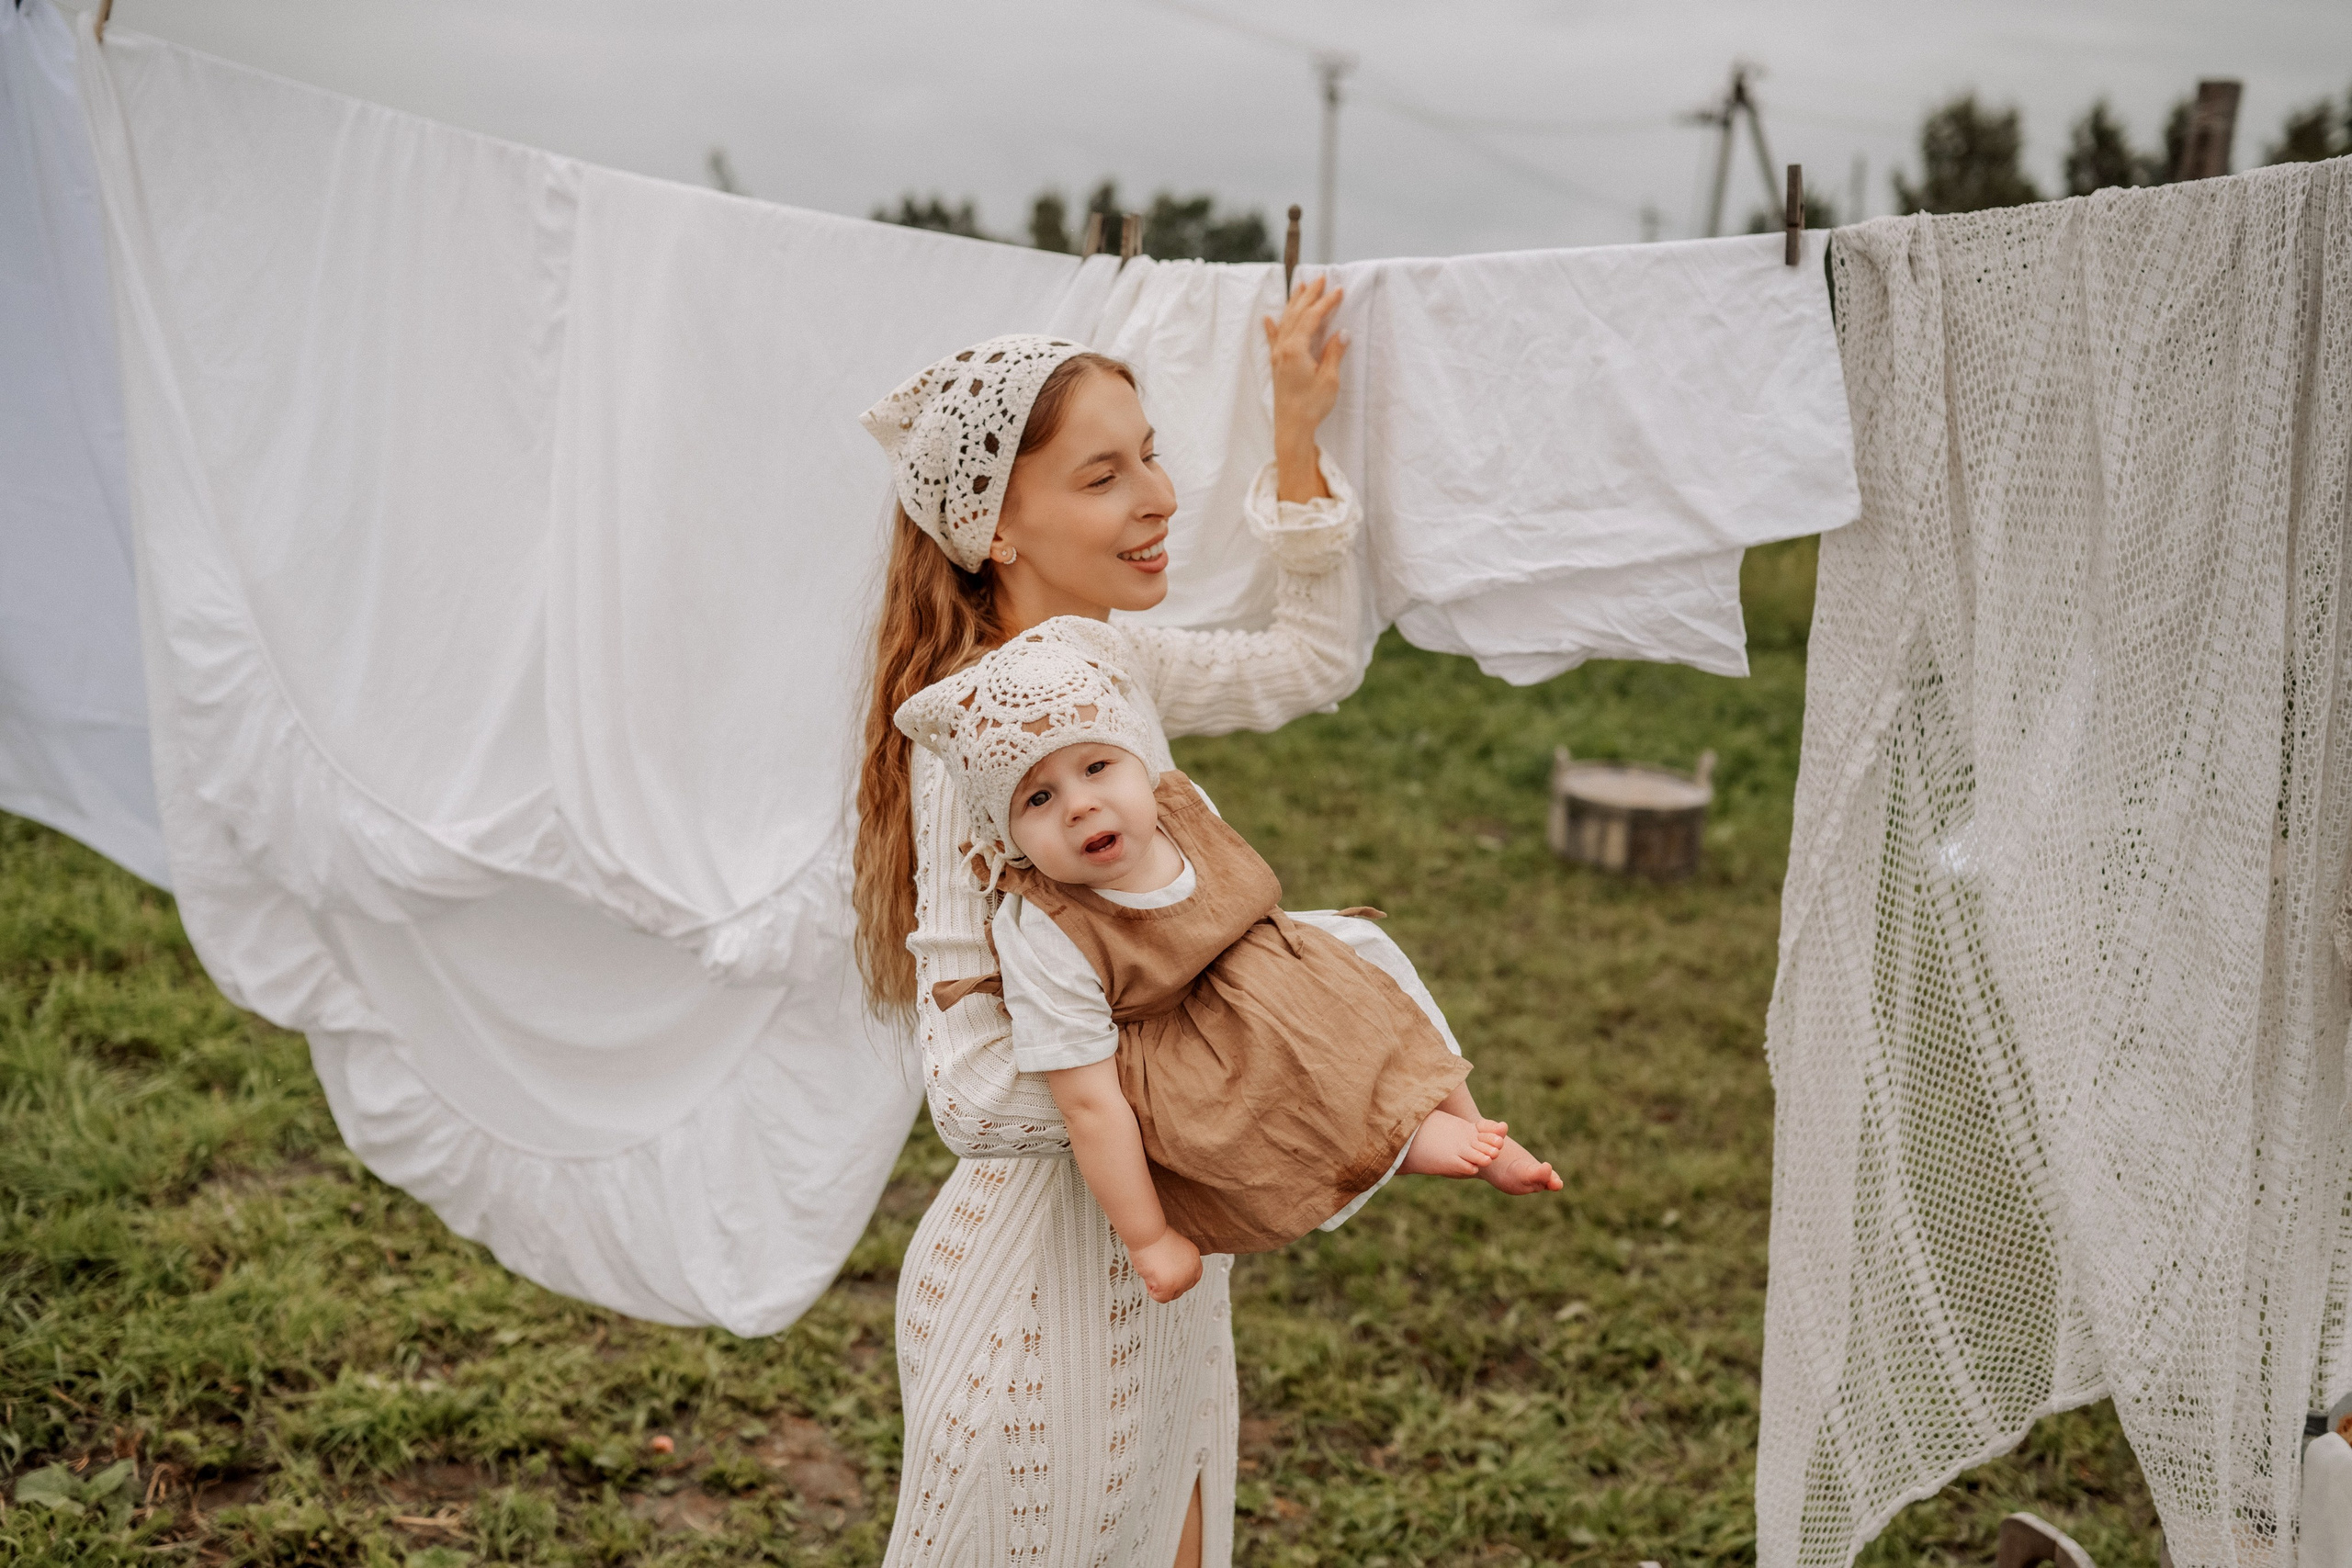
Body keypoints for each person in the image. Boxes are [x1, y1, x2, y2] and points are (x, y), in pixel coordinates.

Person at [852, 283, 1548, 1568]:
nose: (1159, 497)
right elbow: (969, 1096)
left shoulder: (1111, 667)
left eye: (1153, 455)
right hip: (1039, 1299)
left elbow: (1311, 662)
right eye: (1106, 475)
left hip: (1172, 1276)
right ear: (994, 528)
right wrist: (1235, 1050)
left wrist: (1295, 433)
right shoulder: (971, 745)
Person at [894, 616, 1559, 1307]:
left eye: (1096, 766)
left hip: (1264, 958)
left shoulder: (1182, 808)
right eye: (1038, 798)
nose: (1080, 803)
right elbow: (1089, 1102)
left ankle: (1462, 1112)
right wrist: (1149, 1236)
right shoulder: (1049, 930)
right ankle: (1405, 1136)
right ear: (1012, 840)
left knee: (1371, 959)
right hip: (1183, 1036)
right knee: (1264, 1065)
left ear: (1137, 766)